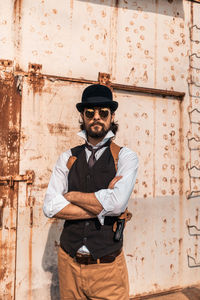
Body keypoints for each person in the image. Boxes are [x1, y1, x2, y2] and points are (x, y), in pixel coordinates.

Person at [43, 84, 138, 300]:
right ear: (83, 116)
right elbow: (50, 207)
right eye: (90, 112)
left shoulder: (125, 157)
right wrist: (104, 206)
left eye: (103, 112)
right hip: (69, 264)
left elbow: (117, 205)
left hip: (107, 269)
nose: (96, 117)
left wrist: (71, 196)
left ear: (112, 116)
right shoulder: (67, 157)